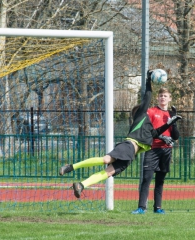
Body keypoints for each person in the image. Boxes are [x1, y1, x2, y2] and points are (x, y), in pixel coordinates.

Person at [59, 70, 182, 199]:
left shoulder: (149, 129)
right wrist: (148, 80)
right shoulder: (141, 117)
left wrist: (170, 122)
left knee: (107, 173)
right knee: (106, 159)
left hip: (129, 157)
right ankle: (70, 167)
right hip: (128, 147)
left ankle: (81, 185)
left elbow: (157, 133)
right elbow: (147, 96)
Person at [132, 88, 180, 214]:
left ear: (170, 98)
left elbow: (176, 136)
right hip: (152, 149)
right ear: (157, 98)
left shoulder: (171, 113)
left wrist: (174, 120)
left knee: (160, 181)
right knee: (146, 179)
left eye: (165, 96)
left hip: (166, 151)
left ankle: (157, 208)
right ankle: (141, 207)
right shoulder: (151, 111)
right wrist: (161, 136)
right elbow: (148, 131)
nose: (162, 98)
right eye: (160, 96)